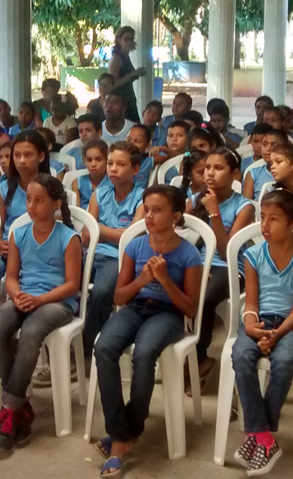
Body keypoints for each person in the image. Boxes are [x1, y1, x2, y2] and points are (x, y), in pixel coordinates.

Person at [94, 186, 202, 477]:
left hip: (168, 314)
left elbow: (190, 309)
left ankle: (126, 433)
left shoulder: (189, 254)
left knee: (144, 353)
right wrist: (142, 279)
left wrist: (166, 280)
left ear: (176, 216)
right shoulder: (136, 246)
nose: (149, 216)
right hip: (135, 307)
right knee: (104, 347)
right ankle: (121, 432)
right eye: (146, 209)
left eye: (158, 210)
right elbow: (118, 297)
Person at [0, 175, 82, 450]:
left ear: (55, 204)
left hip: (57, 302)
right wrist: (17, 295)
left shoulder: (69, 237)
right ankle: (19, 406)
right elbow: (12, 276)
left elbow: (71, 285)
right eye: (29, 199)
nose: (31, 205)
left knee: (30, 332)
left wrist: (39, 300)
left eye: (39, 200)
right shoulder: (20, 233)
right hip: (25, 296)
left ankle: (9, 409)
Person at [231, 189, 293, 475]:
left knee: (283, 362)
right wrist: (249, 324)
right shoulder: (253, 254)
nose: (265, 225)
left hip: (292, 325)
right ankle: (265, 438)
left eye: (274, 219)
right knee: (241, 354)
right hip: (259, 320)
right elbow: (252, 300)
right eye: (262, 218)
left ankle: (257, 434)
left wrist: (276, 335)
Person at [190, 148, 255, 386]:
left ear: (235, 173)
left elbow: (228, 251)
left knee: (204, 300)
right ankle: (181, 354)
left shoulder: (244, 206)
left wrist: (214, 212)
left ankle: (200, 360)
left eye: (218, 168)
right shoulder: (196, 199)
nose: (210, 173)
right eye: (208, 167)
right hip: (198, 262)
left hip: (229, 267)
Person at [82, 141, 146, 362]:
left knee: (101, 292)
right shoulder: (99, 194)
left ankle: (84, 349)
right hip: (91, 252)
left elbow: (129, 239)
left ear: (135, 169)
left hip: (117, 258)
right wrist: (111, 232)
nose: (113, 169)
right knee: (62, 279)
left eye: (121, 164)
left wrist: (99, 227)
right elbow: (85, 236)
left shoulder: (142, 199)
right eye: (110, 163)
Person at [0, 132, 52, 318]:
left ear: (41, 156)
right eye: (17, 155)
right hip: (7, 249)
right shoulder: (5, 188)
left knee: (13, 285)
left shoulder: (50, 187)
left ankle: (14, 327)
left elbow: (55, 224)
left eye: (28, 155)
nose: (21, 161)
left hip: (36, 252)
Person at [108, 26, 147, 123]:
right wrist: (133, 74)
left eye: (131, 39)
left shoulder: (125, 56)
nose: (129, 42)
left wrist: (136, 74)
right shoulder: (116, 58)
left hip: (129, 97)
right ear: (119, 40)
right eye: (126, 39)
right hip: (122, 100)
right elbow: (112, 84)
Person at [243, 128, 288, 200]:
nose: (268, 148)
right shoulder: (253, 173)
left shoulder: (290, 172)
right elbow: (246, 204)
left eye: (273, 144)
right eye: (264, 144)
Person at [71, 140, 109, 211]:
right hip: (82, 219)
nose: (93, 164)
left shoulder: (114, 184)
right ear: (84, 161)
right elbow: (76, 211)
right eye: (89, 160)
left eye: (98, 159)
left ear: (107, 160)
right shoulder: (77, 183)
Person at [150, 120, 189, 184]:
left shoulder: (190, 154)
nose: (174, 139)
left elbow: (182, 157)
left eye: (179, 135)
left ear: (188, 139)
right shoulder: (161, 155)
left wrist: (165, 150)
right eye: (170, 135)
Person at [127, 124, 155, 190]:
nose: (131, 144)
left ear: (147, 145)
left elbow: (173, 158)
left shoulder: (148, 161)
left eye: (137, 141)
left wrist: (165, 149)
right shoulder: (117, 159)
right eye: (129, 140)